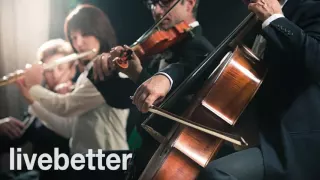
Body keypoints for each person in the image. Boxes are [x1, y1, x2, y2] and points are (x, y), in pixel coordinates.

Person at [195, 0, 320, 180]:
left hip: (297, 143)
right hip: (257, 137)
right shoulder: (251, 20)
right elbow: (215, 63)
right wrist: (167, 79)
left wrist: (275, 19)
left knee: (218, 173)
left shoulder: (312, 7)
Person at [90, 0, 215, 178]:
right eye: (152, 4)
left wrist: (139, 75)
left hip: (170, 163)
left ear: (188, 4)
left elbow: (171, 115)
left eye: (164, 2)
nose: (156, 10)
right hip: (143, 155)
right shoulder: (160, 48)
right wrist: (102, 72)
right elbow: (122, 98)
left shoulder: (200, 50)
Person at [16, 4, 130, 155]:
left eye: (85, 34)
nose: (79, 44)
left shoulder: (109, 71)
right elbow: (69, 129)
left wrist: (34, 87)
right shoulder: (87, 74)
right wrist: (32, 100)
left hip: (107, 161)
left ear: (100, 32)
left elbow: (66, 106)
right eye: (74, 37)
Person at [0, 38, 75, 180]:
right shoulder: (39, 101)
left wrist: (64, 102)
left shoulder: (79, 96)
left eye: (60, 68)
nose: (55, 75)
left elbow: (71, 133)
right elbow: (17, 138)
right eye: (49, 70)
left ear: (72, 70)